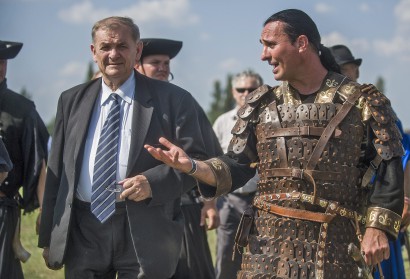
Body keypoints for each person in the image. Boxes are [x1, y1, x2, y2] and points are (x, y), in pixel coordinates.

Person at [145, 9, 404, 278]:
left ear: (301, 43)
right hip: (266, 248)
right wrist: (193, 166)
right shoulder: (262, 104)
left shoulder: (361, 101)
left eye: (271, 45)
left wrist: (376, 229)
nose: (263, 55)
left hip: (334, 245)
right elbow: (237, 166)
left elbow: (389, 170)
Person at [38, 16, 213, 279]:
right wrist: (50, 234)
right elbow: (57, 171)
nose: (113, 54)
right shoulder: (71, 100)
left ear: (138, 49)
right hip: (84, 229)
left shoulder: (175, 100)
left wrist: (152, 183)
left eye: (122, 46)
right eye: (106, 47)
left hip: (146, 230)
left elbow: (197, 161)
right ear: (93, 51)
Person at [136, 38, 221, 279]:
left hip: (184, 207)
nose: (163, 67)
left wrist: (210, 203)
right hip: (138, 210)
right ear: (137, 65)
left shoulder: (183, 101)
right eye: (155, 62)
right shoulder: (127, 103)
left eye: (166, 63)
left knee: (191, 272)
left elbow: (209, 156)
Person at [331, 44, 409, 279]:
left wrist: (404, 199)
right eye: (338, 70)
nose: (344, 75)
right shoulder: (322, 110)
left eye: (347, 69)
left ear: (356, 71)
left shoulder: (376, 107)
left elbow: (403, 155)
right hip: (336, 213)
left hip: (377, 207)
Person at [0, 40, 49, 278]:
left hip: (2, 208)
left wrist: (45, 212)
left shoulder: (22, 109)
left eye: (1, 61)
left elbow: (40, 162)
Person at [212, 69, 262, 279]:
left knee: (261, 257)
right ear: (233, 92)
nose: (246, 93)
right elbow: (213, 164)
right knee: (225, 256)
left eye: (251, 89)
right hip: (228, 201)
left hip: (260, 200)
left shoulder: (269, 119)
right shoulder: (222, 122)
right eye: (241, 89)